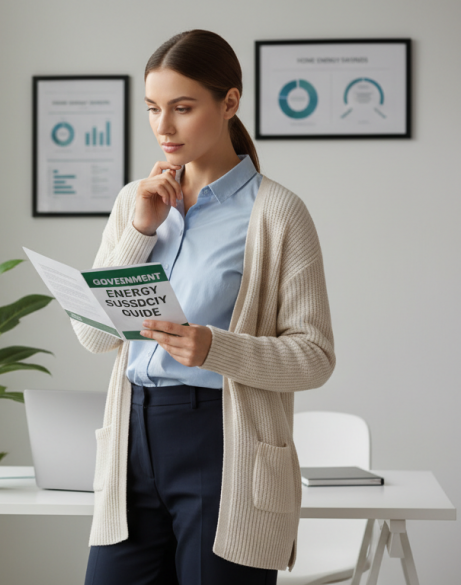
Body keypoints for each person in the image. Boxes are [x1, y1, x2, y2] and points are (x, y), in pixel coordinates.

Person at [76, 30, 336, 585]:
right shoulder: (135, 202)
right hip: (133, 436)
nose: (163, 127)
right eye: (152, 109)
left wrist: (217, 348)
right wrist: (140, 231)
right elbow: (95, 336)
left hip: (222, 443)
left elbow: (315, 356)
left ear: (230, 103)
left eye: (182, 108)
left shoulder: (277, 214)